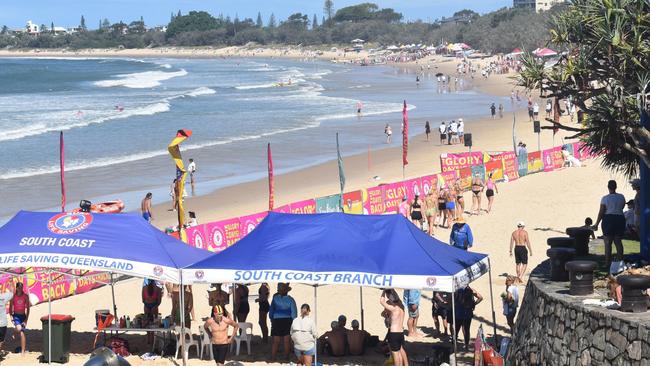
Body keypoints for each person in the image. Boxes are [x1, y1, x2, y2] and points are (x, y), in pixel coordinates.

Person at [593, 180, 626, 272]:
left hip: (609, 219)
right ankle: (620, 261)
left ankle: (607, 263)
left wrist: (596, 224)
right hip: (619, 218)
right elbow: (622, 206)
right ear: (616, 187)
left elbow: (601, 212)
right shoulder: (621, 197)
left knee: (608, 243)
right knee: (618, 242)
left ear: (608, 187)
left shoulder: (605, 198)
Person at [379, 289, 408, 366]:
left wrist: (384, 291)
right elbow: (396, 297)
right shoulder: (401, 306)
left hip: (394, 333)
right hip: (401, 333)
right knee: (399, 354)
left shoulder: (393, 308)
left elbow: (381, 301)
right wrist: (391, 291)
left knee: (395, 356)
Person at [269, 283, 297, 361]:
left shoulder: (275, 299)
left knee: (276, 341)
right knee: (286, 341)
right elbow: (294, 313)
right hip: (287, 321)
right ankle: (286, 357)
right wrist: (293, 321)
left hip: (277, 321)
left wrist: (271, 318)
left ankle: (273, 357)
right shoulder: (291, 299)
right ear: (287, 291)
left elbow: (271, 311)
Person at [452, 286, 482, 351]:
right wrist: (473, 304)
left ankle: (454, 346)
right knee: (467, 330)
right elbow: (480, 297)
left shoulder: (457, 290)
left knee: (456, 330)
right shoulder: (471, 290)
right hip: (468, 313)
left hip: (458, 313)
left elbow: (453, 300)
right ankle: (466, 346)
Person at [10, 282, 29, 355]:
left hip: (23, 316)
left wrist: (26, 319)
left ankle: (23, 351)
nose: (21, 289)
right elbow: (10, 307)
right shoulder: (13, 297)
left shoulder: (25, 296)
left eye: (22, 288)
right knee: (19, 329)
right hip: (16, 316)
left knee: (22, 332)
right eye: (19, 288)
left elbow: (28, 308)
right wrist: (11, 316)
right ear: (16, 288)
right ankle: (14, 331)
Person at [0, 281, 14, 353]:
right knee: (1, 341)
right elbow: (12, 292)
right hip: (2, 324)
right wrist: (11, 283)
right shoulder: (2, 297)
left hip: (2, 323)